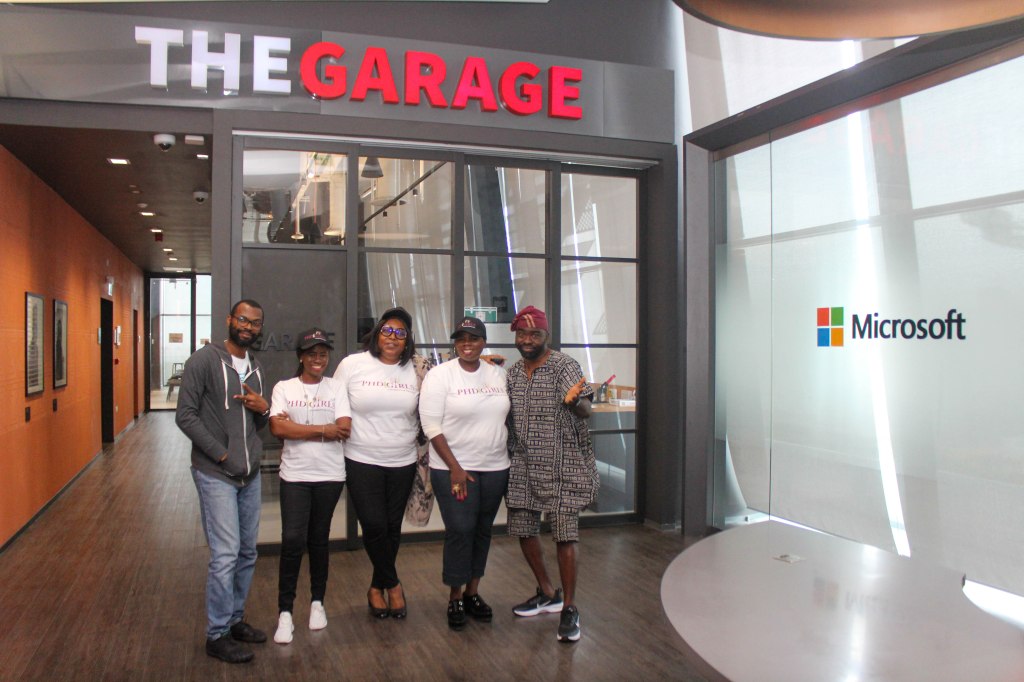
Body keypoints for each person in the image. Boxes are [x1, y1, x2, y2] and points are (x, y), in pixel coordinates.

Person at [175, 299, 271, 664]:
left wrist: (264, 409)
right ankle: (216, 634)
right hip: (216, 473)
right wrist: (220, 455)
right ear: (230, 320)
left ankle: (234, 620)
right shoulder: (203, 360)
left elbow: (257, 424)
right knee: (226, 553)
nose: (248, 326)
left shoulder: (257, 368)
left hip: (250, 475)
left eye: (255, 323)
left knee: (247, 552)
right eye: (242, 319)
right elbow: (185, 416)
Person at [505, 305, 598, 643]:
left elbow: (586, 410)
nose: (528, 340)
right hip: (524, 463)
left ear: (547, 335)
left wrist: (575, 401)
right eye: (522, 334)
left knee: (564, 534)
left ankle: (569, 607)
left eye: (535, 334)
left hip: (563, 464)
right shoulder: (513, 373)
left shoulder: (564, 366)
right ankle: (547, 592)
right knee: (523, 527)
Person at [419, 317, 510, 630]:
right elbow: (431, 425)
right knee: (460, 530)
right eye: (461, 339)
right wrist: (455, 467)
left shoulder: (498, 374)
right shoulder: (440, 375)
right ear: (455, 343)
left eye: (473, 338)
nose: (467, 344)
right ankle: (455, 596)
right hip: (453, 469)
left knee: (483, 530)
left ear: (483, 342)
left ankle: (473, 592)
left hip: (495, 467)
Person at [333, 307, 422, 620]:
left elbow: (445, 385)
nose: (393, 338)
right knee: (373, 524)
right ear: (377, 334)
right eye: (387, 331)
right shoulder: (353, 364)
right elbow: (335, 403)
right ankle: (393, 585)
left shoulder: (417, 369)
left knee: (391, 528)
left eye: (400, 333)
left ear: (407, 340)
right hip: (361, 458)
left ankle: (376, 587)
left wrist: (487, 364)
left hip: (403, 459)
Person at [267, 328, 349, 645]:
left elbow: (344, 428)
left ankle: (317, 603)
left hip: (330, 475)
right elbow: (277, 428)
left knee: (318, 540)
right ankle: (285, 612)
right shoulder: (284, 387)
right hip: (295, 476)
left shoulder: (336, 387)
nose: (318, 359)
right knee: (292, 540)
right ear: (301, 357)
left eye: (323, 354)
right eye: (312, 354)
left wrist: (297, 428)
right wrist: (323, 430)